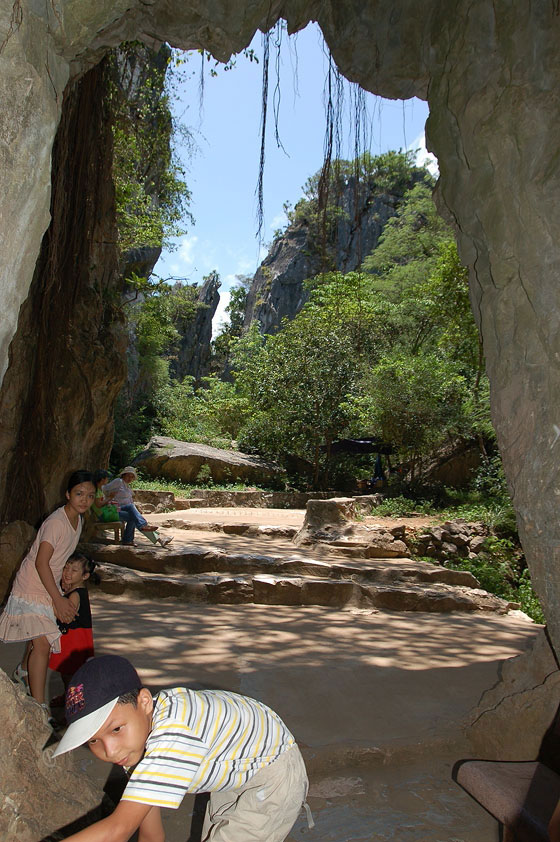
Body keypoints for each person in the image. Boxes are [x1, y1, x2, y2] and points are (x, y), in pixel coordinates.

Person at [53, 654, 313, 842]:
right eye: (93, 740)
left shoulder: (173, 735)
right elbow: (152, 835)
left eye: (116, 729)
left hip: (272, 774)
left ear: (144, 702)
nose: (109, 751)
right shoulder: (134, 746)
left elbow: (117, 830)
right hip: (235, 765)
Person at [0, 470, 96, 718]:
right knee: (42, 644)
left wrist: (65, 589)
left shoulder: (78, 521)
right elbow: (41, 563)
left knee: (38, 638)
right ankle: (39, 707)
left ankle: (23, 672)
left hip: (49, 585)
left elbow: (60, 561)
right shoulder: (56, 523)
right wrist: (58, 598)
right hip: (32, 586)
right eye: (79, 494)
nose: (84, 499)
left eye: (90, 495)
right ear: (67, 494)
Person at [48, 553, 98, 705]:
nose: (68, 573)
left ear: (85, 576)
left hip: (74, 640)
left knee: (72, 675)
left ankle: (74, 705)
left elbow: (66, 617)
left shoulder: (76, 595)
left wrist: (51, 604)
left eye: (74, 570)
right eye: (66, 568)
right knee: (67, 673)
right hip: (75, 638)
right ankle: (68, 698)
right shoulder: (75, 591)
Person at [103, 467, 172, 548]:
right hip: (115, 510)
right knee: (135, 515)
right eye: (128, 476)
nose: (130, 478)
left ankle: (131, 539)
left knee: (135, 518)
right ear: (124, 475)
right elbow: (104, 488)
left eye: (132, 477)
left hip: (124, 510)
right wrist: (107, 498)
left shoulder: (128, 488)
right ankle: (147, 531)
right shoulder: (118, 481)